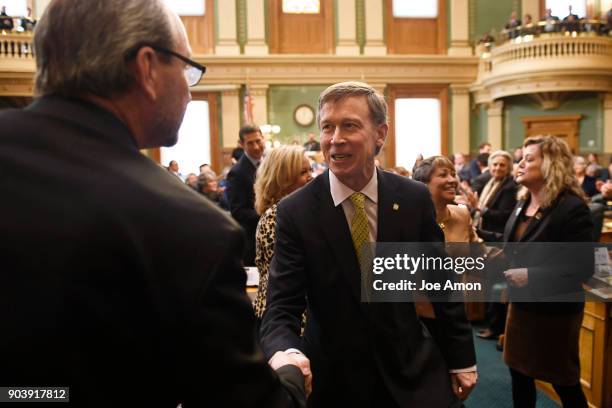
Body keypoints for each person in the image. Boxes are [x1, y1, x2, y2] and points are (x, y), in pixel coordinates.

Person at [0, 0, 308, 406]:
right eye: (186, 68)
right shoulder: (189, 228)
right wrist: (289, 375)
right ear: (147, 68)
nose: (187, 87)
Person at [260, 82, 477, 407]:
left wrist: (461, 357)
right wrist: (286, 352)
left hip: (412, 371)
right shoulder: (295, 211)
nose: (335, 139)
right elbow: (281, 305)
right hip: (333, 381)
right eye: (327, 127)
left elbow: (440, 283)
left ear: (380, 133)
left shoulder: (414, 198)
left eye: (349, 125)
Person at [502, 135, 593, 408]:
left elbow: (582, 267)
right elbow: (515, 245)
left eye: (529, 159)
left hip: (555, 311)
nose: (520, 164)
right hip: (522, 307)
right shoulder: (522, 202)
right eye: (521, 158)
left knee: (563, 381)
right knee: (518, 374)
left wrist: (531, 275)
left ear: (551, 165)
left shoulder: (572, 207)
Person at [253, 146, 312, 326]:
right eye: (303, 172)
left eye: (310, 169)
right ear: (283, 178)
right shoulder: (275, 217)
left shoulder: (298, 211)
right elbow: (284, 281)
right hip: (285, 320)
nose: (311, 176)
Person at [226, 124, 265, 265]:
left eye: (258, 141)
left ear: (263, 139)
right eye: (250, 143)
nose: (256, 147)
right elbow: (238, 211)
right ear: (242, 145)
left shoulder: (269, 163)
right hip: (253, 242)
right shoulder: (236, 173)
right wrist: (268, 215)